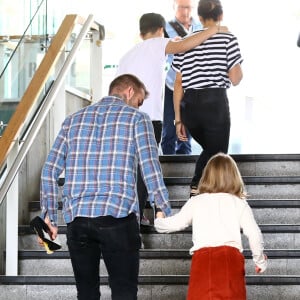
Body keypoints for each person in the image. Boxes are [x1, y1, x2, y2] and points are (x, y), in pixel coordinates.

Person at [38, 74, 172, 300]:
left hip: (77, 220)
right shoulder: (137, 119)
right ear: (129, 91)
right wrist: (162, 208)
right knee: (124, 293)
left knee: (87, 294)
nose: (138, 106)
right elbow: (150, 168)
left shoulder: (73, 120)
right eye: (138, 100)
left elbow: (49, 170)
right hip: (118, 219)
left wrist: (48, 217)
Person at [116, 12, 228, 224]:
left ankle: (139, 211)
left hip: (124, 118)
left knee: (132, 166)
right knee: (144, 167)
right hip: (148, 119)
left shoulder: (126, 56)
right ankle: (137, 216)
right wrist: (213, 30)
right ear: (161, 30)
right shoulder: (157, 43)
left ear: (141, 33)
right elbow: (184, 45)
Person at [154, 152, 268, 300]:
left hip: (202, 261)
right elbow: (254, 234)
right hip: (230, 260)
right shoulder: (239, 203)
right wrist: (260, 261)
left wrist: (159, 219)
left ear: (207, 176)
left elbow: (174, 224)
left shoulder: (196, 201)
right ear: (234, 177)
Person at [172, 0, 243, 197]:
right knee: (219, 154)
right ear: (220, 16)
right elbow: (235, 79)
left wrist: (178, 119)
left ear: (200, 17)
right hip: (215, 103)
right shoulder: (227, 38)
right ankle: (197, 187)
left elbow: (178, 84)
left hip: (189, 106)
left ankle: (202, 190)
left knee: (211, 149)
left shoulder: (185, 42)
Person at [161, 0, 202, 155]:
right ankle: (167, 167)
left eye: (189, 7)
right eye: (182, 7)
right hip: (172, 84)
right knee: (169, 129)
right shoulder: (165, 27)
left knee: (188, 129)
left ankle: (185, 167)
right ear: (174, 7)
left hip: (193, 85)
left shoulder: (200, 27)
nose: (185, 11)